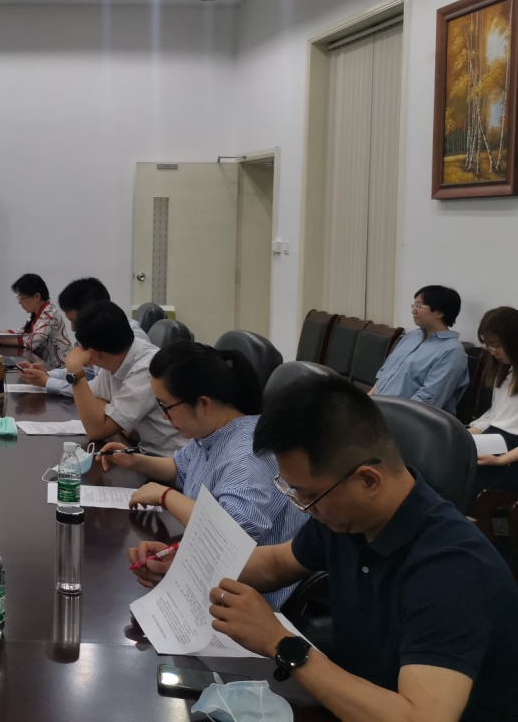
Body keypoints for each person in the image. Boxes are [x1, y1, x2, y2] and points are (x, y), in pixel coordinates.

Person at [129, 373, 518, 722]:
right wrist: (184, 561)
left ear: (368, 480)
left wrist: (281, 643)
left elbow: (421, 717)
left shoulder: (454, 570)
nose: (303, 507)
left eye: (308, 495)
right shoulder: (349, 516)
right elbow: (273, 564)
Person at [99, 342, 303, 607]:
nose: (164, 416)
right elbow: (182, 468)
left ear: (204, 403)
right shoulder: (212, 433)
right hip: (210, 571)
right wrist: (135, 461)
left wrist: (166, 496)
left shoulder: (248, 455)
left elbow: (226, 536)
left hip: (250, 598)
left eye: (166, 406)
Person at [64, 300, 184, 454]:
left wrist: (75, 371)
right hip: (140, 449)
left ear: (93, 353)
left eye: (79, 346)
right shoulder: (118, 356)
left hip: (170, 460)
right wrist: (111, 420)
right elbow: (94, 402)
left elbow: (96, 430)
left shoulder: (147, 369)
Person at [16, 277, 149, 395]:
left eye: (74, 320)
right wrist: (46, 375)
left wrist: (47, 382)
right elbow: (89, 372)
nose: (73, 329)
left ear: (92, 312)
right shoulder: (99, 332)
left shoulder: (126, 337)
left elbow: (95, 389)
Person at [370, 285, 469, 412]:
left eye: (419, 306)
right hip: (379, 409)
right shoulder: (411, 336)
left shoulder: (452, 351)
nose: (413, 311)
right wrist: (367, 402)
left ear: (439, 313)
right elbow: (385, 375)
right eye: (414, 305)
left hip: (408, 417)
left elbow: (427, 401)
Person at [468, 307, 518, 491]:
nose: (492, 351)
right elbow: (495, 414)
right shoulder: (506, 369)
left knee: (466, 476)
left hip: (512, 452)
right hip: (496, 438)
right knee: (447, 459)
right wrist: (463, 435)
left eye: (496, 345)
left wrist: (502, 460)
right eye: (488, 346)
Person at [0, 273, 72, 369]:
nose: (19, 302)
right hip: (47, 368)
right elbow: (20, 332)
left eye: (22, 298)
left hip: (62, 370)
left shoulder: (50, 314)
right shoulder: (36, 315)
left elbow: (32, 342)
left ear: (37, 296)